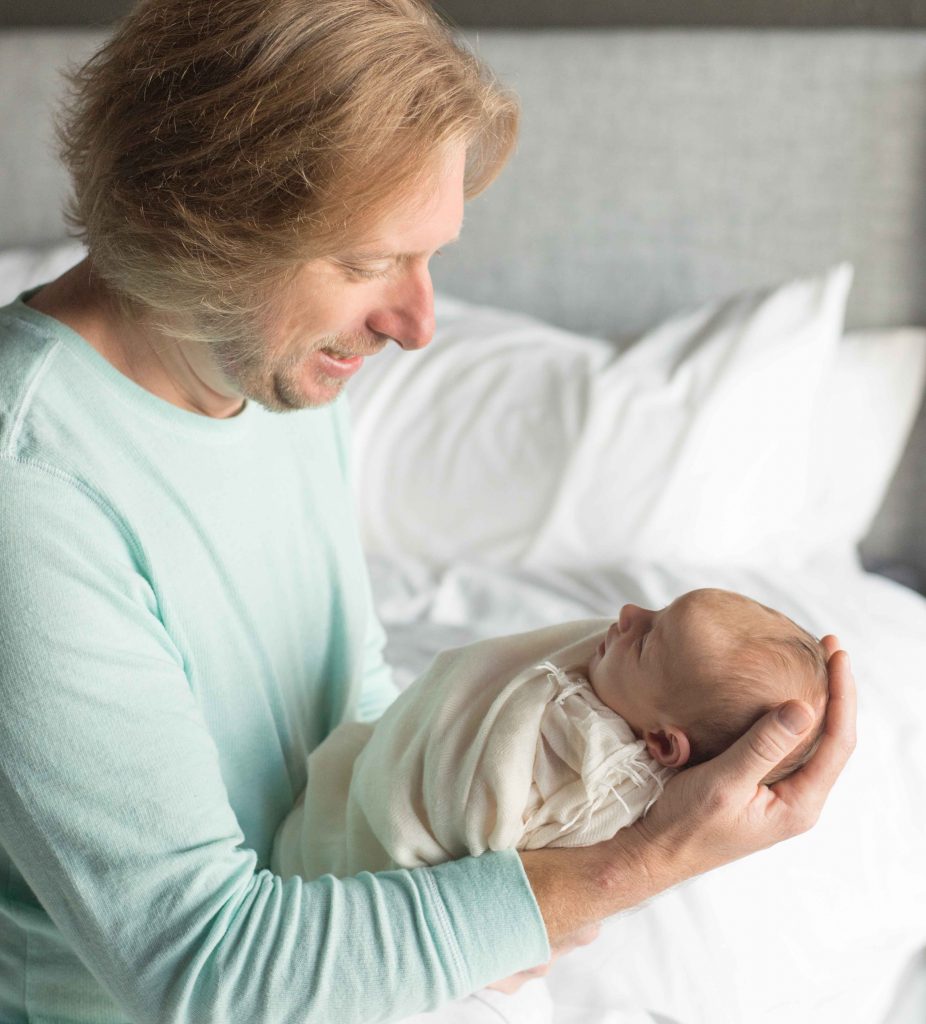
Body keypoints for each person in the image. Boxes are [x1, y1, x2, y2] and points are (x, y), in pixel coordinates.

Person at [0, 0, 856, 1022]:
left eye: (426, 256)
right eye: (366, 264)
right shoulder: (34, 489)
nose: (415, 323)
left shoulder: (268, 375)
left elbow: (356, 710)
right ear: (198, 226)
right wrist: (641, 859)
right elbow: (206, 968)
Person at [272, 588, 829, 882]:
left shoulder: (597, 784)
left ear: (661, 745)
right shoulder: (617, 680)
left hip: (371, 859)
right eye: (657, 609)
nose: (630, 612)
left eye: (646, 639)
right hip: (367, 770)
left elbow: (503, 864)